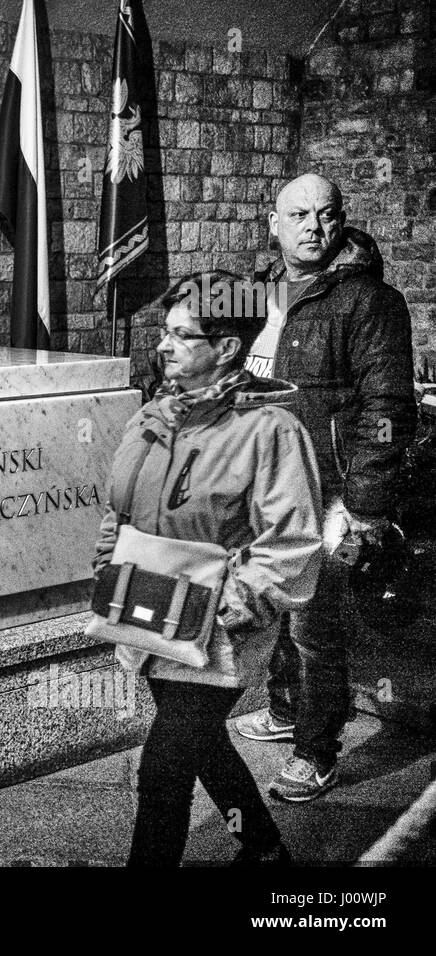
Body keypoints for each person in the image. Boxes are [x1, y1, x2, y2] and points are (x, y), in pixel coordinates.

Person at [95, 271, 324, 866]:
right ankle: (264, 844)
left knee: (165, 765)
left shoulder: (270, 429)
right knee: (202, 744)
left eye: (181, 336)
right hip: (149, 605)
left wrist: (240, 601)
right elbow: (124, 505)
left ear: (226, 348)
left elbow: (294, 538)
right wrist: (112, 550)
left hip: (221, 626)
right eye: (164, 333)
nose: (163, 346)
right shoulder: (155, 416)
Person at [234, 174, 415, 803]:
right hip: (263, 484)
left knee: (316, 626)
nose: (314, 226)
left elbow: (389, 408)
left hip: (324, 491)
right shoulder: (253, 293)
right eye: (300, 214)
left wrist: (361, 505)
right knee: (286, 607)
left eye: (327, 214)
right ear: (274, 222)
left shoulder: (369, 302)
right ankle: (285, 710)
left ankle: (316, 751)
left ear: (340, 222)